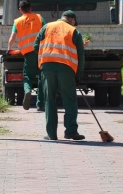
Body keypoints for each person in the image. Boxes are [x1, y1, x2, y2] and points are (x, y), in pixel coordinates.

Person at [34, 10, 85, 141]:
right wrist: (78, 75)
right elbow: (81, 56)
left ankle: (51, 134)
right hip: (66, 68)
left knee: (49, 101)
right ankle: (71, 131)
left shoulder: (46, 27)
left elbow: (35, 47)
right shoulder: (74, 31)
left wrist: (40, 65)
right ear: (72, 20)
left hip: (47, 67)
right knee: (70, 101)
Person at [8, 0, 46, 111]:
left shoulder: (17, 22)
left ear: (20, 10)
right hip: (41, 52)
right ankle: (40, 104)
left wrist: (9, 50)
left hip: (28, 53)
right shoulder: (39, 18)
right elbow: (46, 31)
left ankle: (28, 89)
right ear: (31, 8)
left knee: (28, 76)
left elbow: (12, 38)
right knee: (42, 77)